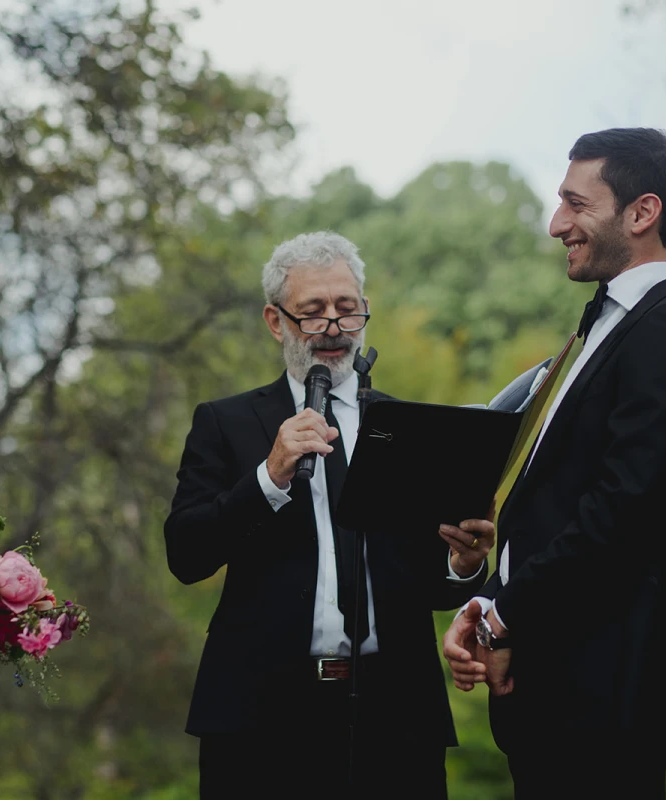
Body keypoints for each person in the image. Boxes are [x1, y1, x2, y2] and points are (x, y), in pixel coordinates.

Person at [442, 128, 666, 799]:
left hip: (603, 707)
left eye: (576, 204)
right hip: (549, 700)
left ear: (642, 213)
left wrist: (500, 617)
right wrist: (491, 599)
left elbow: (620, 519)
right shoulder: (598, 330)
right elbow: (559, 510)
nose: (556, 224)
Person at [165, 231, 493, 798]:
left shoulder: (409, 424)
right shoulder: (227, 422)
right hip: (259, 719)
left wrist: (462, 564)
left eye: (348, 309)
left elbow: (433, 587)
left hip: (395, 719)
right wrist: (268, 475)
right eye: (313, 313)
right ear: (276, 321)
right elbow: (186, 555)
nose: (335, 327)